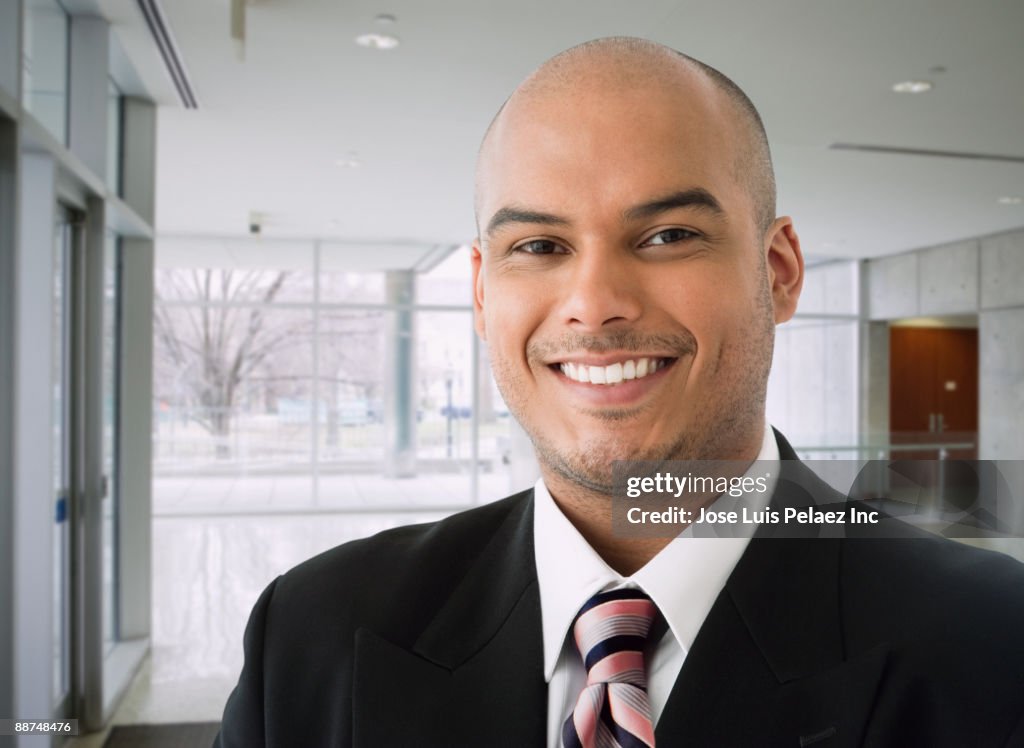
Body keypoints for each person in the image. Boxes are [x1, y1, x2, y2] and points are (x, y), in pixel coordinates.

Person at [215, 37, 1024, 747]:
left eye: (668, 236)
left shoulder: (994, 646)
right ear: (482, 294)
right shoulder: (314, 631)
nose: (594, 300)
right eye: (538, 244)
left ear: (777, 272)